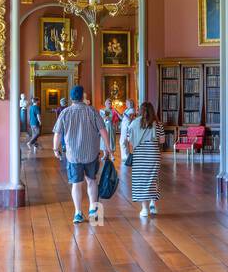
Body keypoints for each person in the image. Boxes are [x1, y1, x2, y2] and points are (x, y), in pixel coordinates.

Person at [52, 84, 111, 224]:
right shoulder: (92, 111)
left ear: (71, 98)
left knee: (76, 184)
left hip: (73, 155)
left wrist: (55, 149)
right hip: (91, 153)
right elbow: (103, 131)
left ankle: (78, 213)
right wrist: (108, 148)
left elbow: (57, 134)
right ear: (82, 96)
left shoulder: (65, 113)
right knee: (91, 181)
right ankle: (93, 210)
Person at [124, 101, 161, 218]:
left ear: (140, 111)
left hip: (139, 155)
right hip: (153, 154)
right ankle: (153, 204)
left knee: (141, 181)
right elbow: (162, 140)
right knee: (153, 179)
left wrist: (131, 152)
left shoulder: (134, 123)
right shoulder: (157, 124)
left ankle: (144, 209)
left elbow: (129, 141)